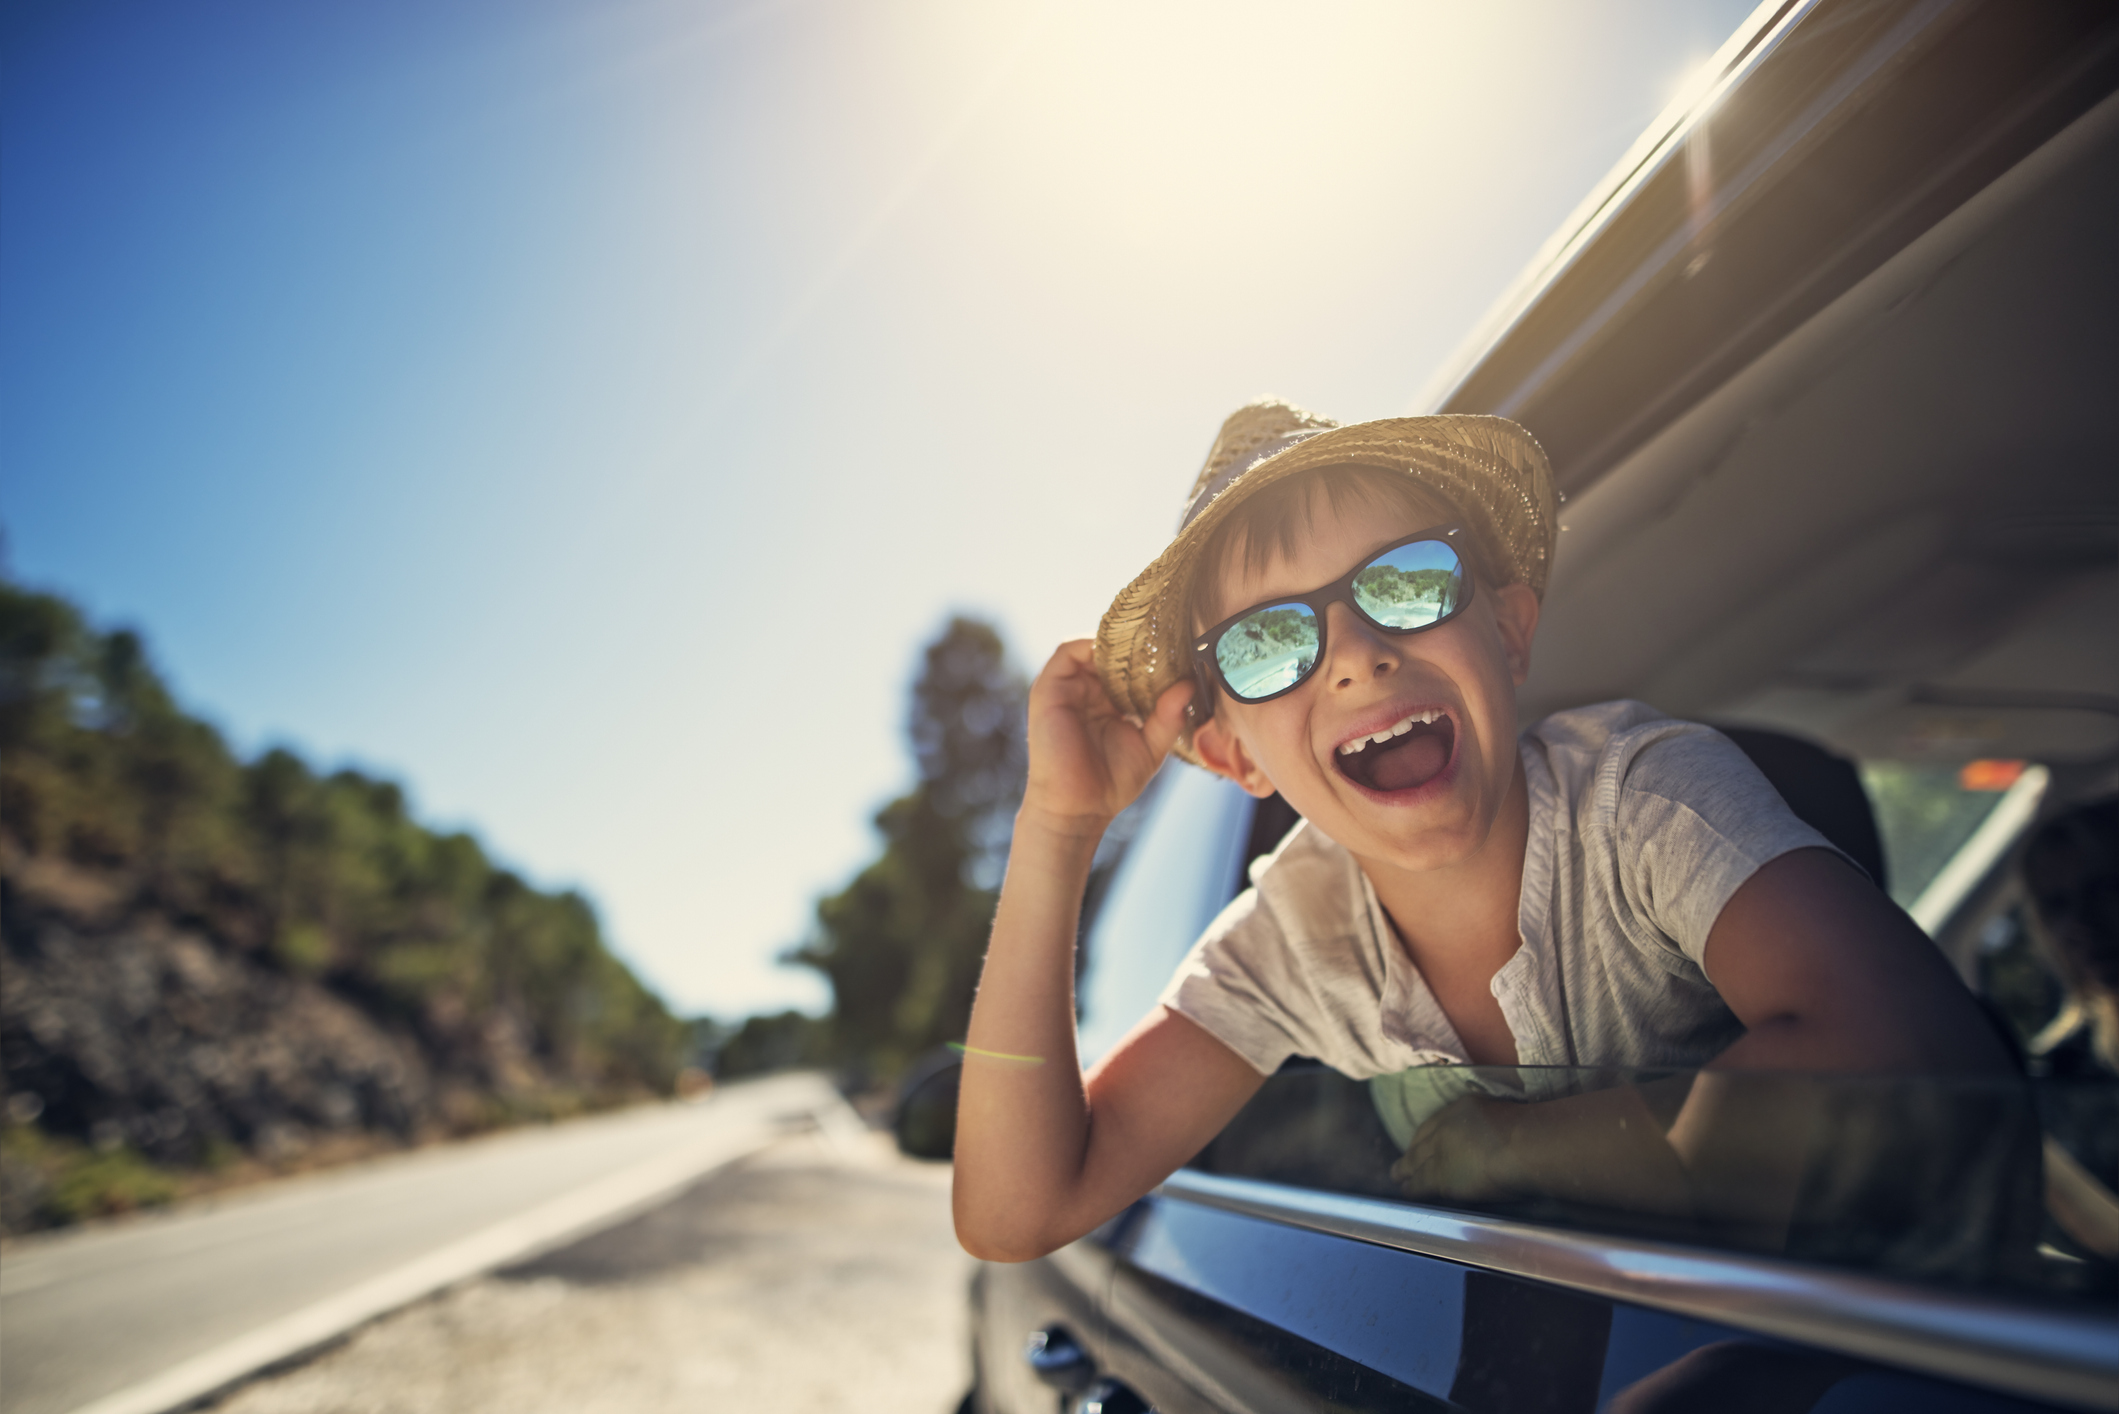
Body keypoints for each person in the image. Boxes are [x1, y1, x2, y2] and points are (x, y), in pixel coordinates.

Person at [952, 398, 2010, 1262]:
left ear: (1506, 630)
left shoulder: (1638, 799)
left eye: (1406, 581)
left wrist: (1527, 1144)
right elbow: (1015, 1213)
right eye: (1267, 641)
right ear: (1233, 756)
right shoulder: (1292, 941)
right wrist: (1059, 828)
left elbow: (1924, 1054)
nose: (1356, 653)